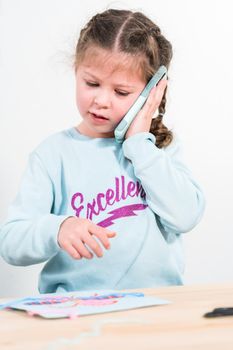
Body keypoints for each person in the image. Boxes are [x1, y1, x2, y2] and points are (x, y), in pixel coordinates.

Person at [0, 9, 205, 294]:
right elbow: (11, 242)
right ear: (76, 71)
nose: (101, 100)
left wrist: (138, 145)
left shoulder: (159, 149)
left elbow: (186, 216)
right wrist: (57, 228)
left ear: (152, 93)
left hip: (157, 308)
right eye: (91, 83)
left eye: (121, 92)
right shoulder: (52, 155)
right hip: (76, 310)